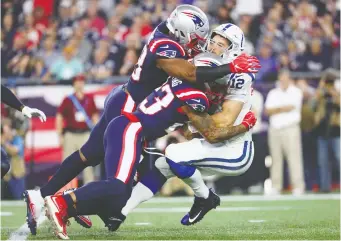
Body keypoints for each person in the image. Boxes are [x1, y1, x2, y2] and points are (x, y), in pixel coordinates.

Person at [24, 4, 261, 236]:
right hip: (128, 106)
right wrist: (230, 70)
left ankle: (68, 202)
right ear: (182, 32)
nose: (200, 44)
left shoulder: (170, 34)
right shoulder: (168, 49)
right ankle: (60, 201)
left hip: (132, 109)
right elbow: (191, 74)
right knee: (107, 173)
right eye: (195, 38)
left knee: (104, 170)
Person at [116, 23, 258, 228]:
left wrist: (188, 116)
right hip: (212, 140)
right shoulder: (205, 63)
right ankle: (119, 212)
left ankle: (205, 197)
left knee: (173, 153)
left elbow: (223, 123)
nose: (213, 47)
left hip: (233, 149)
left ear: (233, 49)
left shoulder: (239, 76)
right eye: (213, 41)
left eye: (221, 45)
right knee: (162, 166)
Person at [265, 70, 305, 195]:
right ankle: (276, 186)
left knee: (294, 158)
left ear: (289, 78)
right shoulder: (273, 92)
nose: (283, 80)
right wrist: (283, 108)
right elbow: (267, 111)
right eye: (281, 78)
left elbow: (292, 107)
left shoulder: (296, 92)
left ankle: (298, 186)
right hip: (275, 129)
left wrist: (276, 109)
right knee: (275, 159)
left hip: (290, 128)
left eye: (285, 78)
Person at [1, 84, 46, 179]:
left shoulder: (16, 112)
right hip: (4, 141)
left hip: (14, 143)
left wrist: (23, 108)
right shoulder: (4, 110)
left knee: (7, 166)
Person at [314, 69, 340, 192]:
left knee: (339, 158)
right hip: (322, 130)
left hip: (336, 130)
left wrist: (334, 92)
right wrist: (322, 85)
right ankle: (325, 187)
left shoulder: (337, 91)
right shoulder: (321, 92)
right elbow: (314, 100)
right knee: (322, 160)